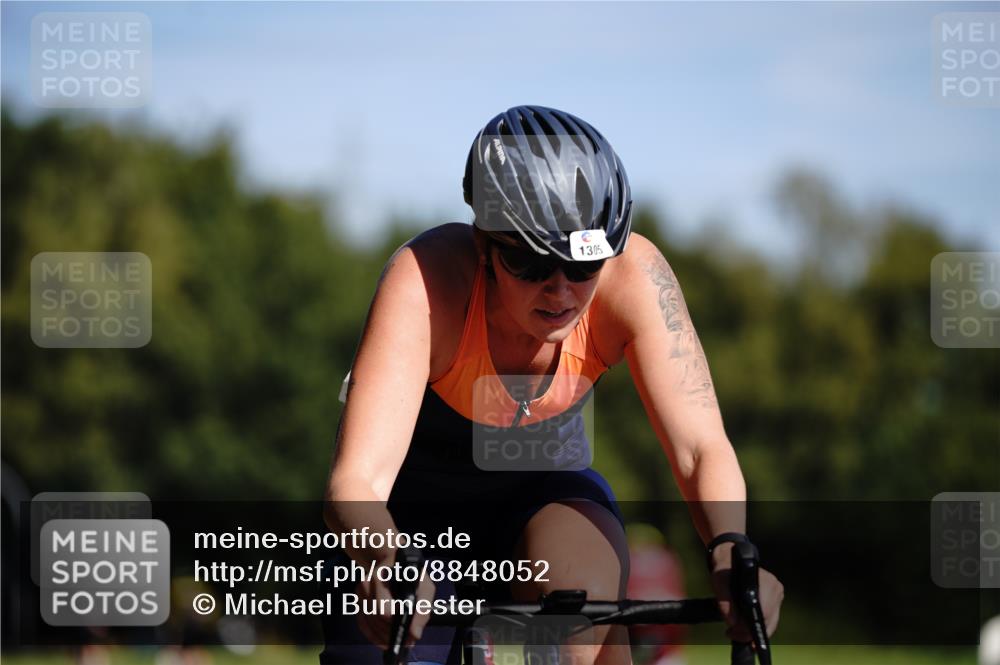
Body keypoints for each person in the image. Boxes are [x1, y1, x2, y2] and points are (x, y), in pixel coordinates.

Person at [321, 105, 783, 665]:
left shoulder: (633, 277)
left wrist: (730, 547)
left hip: (549, 498)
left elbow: (699, 448)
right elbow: (357, 482)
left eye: (583, 266)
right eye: (531, 264)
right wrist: (382, 563)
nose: (561, 290)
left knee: (577, 610)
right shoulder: (426, 279)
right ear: (484, 246)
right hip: (412, 523)